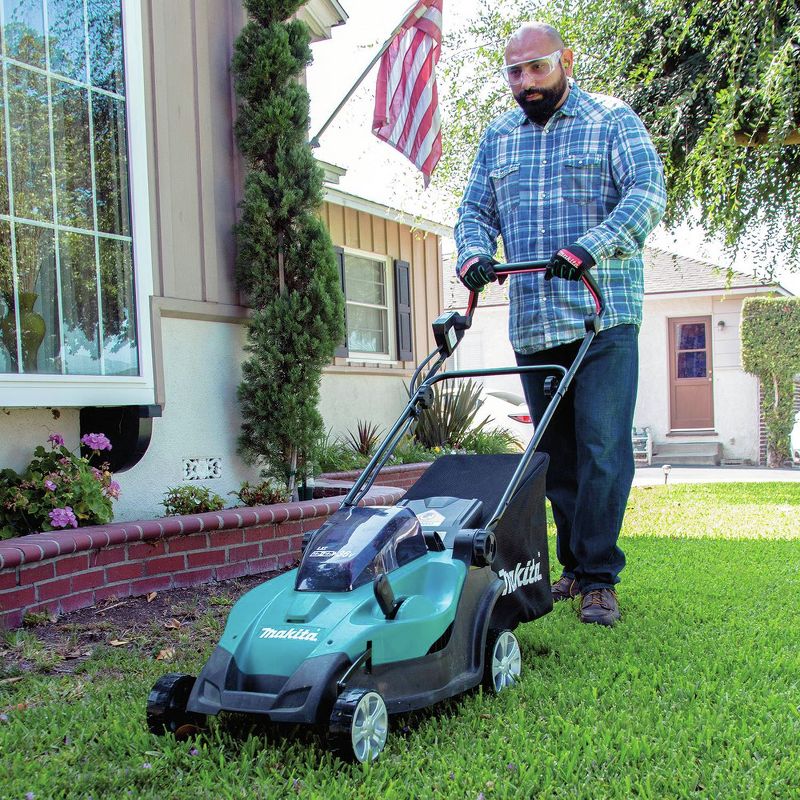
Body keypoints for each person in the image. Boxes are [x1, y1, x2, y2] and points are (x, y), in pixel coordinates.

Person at [455, 22, 667, 626]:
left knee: (602, 448)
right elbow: (473, 211)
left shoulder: (611, 119)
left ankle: (599, 577)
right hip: (535, 322)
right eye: (514, 72)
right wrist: (474, 253)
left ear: (566, 61)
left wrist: (589, 247)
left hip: (604, 317)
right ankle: (573, 566)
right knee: (558, 457)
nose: (525, 81)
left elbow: (647, 193)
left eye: (537, 67)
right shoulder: (498, 137)